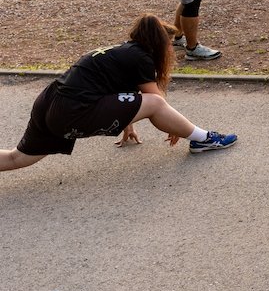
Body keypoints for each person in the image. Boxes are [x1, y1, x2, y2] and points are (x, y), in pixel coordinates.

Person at [0, 14, 238, 173]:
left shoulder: (122, 52)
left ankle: (198, 138)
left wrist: (129, 122)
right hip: (73, 109)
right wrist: (178, 128)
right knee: (155, 102)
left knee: (16, 158)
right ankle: (204, 139)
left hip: (51, 101)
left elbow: (117, 92)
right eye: (170, 43)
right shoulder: (142, 58)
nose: (171, 48)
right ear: (158, 42)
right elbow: (156, 102)